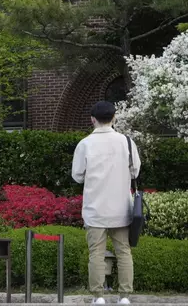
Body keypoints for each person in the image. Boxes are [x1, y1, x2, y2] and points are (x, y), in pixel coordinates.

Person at [72, 101, 141, 305]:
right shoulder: (127, 142)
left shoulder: (84, 144)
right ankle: (125, 297)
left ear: (92, 119)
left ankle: (98, 296)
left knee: (96, 254)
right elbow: (135, 171)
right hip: (121, 209)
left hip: (95, 210)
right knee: (124, 252)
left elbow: (77, 176)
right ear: (114, 118)